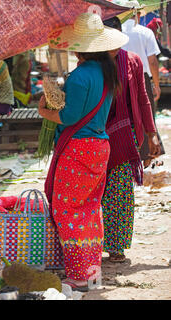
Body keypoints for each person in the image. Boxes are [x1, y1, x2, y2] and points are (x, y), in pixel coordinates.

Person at [40, 13, 129, 291]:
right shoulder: (107, 72)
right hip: (100, 146)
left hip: (77, 148)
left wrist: (44, 110)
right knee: (90, 210)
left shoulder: (79, 76)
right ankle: (92, 272)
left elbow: (68, 117)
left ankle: (78, 276)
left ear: (79, 46)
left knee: (67, 211)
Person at [101, 17, 161, 263]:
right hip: (96, 135)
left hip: (126, 137)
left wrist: (151, 133)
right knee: (96, 192)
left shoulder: (133, 61)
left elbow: (143, 99)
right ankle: (92, 243)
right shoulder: (94, 64)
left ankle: (116, 247)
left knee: (120, 192)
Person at [121, 1, 166, 166]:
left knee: (126, 117)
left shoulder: (116, 32)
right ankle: (146, 158)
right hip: (142, 79)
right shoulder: (145, 32)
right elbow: (153, 61)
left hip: (122, 79)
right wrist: (156, 84)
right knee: (147, 116)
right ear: (137, 14)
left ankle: (128, 156)